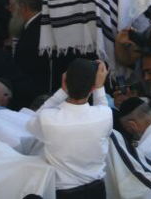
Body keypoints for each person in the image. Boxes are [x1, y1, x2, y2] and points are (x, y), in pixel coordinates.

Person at [28, 59, 112, 199]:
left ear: (64, 81)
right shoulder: (104, 115)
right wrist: (99, 87)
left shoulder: (48, 118)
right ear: (92, 88)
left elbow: (30, 124)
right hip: (98, 191)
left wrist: (62, 91)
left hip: (64, 193)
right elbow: (102, 105)